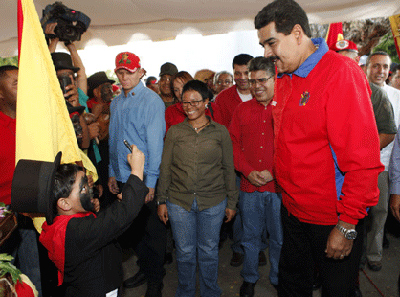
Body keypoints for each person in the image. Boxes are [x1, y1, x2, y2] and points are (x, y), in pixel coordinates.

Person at [254, 1, 383, 296]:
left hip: (332, 218)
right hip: (293, 212)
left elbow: (363, 159)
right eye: (262, 45)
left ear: (297, 33)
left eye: (271, 43)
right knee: (291, 287)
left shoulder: (340, 73)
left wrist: (347, 225)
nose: (266, 53)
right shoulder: (285, 76)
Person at [157, 80, 238, 297]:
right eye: (185, 102)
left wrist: (231, 203)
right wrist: (161, 200)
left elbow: (228, 168)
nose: (189, 106)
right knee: (183, 252)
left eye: (195, 101)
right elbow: (166, 167)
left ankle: (210, 291)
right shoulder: (175, 132)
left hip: (213, 202)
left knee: (209, 252)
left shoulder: (220, 132)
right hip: (178, 202)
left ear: (206, 102)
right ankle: (185, 291)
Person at [35, 145, 146, 297]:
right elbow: (119, 217)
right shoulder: (76, 232)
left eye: (87, 185)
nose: (89, 190)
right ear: (64, 204)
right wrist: (137, 171)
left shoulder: (64, 223)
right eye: (83, 189)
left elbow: (101, 227)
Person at [108, 52, 166, 296]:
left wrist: (150, 183)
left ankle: (156, 280)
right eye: (120, 72)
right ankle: (145, 268)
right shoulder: (116, 102)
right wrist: (112, 172)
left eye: (129, 71)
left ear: (141, 72)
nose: (124, 76)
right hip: (122, 176)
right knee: (133, 231)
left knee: (151, 232)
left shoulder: (151, 101)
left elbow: (155, 146)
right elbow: (112, 140)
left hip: (143, 177)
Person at [229, 57, 282, 297]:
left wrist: (273, 171)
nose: (256, 85)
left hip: (278, 189)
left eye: (262, 80)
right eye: (252, 81)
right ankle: (249, 278)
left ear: (274, 78)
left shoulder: (285, 107)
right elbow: (232, 145)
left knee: (280, 238)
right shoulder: (242, 110)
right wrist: (247, 171)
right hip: (249, 188)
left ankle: (278, 277)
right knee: (249, 237)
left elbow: (291, 146)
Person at [0, 65, 42, 296]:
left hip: (31, 215)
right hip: (3, 218)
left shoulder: (33, 123)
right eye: (15, 83)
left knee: (32, 279)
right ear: (0, 92)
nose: (23, 86)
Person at [365, 51, 400, 272]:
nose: (381, 71)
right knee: (355, 214)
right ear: (366, 67)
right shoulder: (358, 92)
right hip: (353, 165)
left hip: (384, 166)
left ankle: (374, 254)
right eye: (376, 66)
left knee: (379, 212)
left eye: (385, 67)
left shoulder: (397, 96)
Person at [214, 54, 253, 128]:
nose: (242, 77)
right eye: (237, 73)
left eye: (246, 73)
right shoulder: (222, 98)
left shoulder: (264, 96)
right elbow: (218, 130)